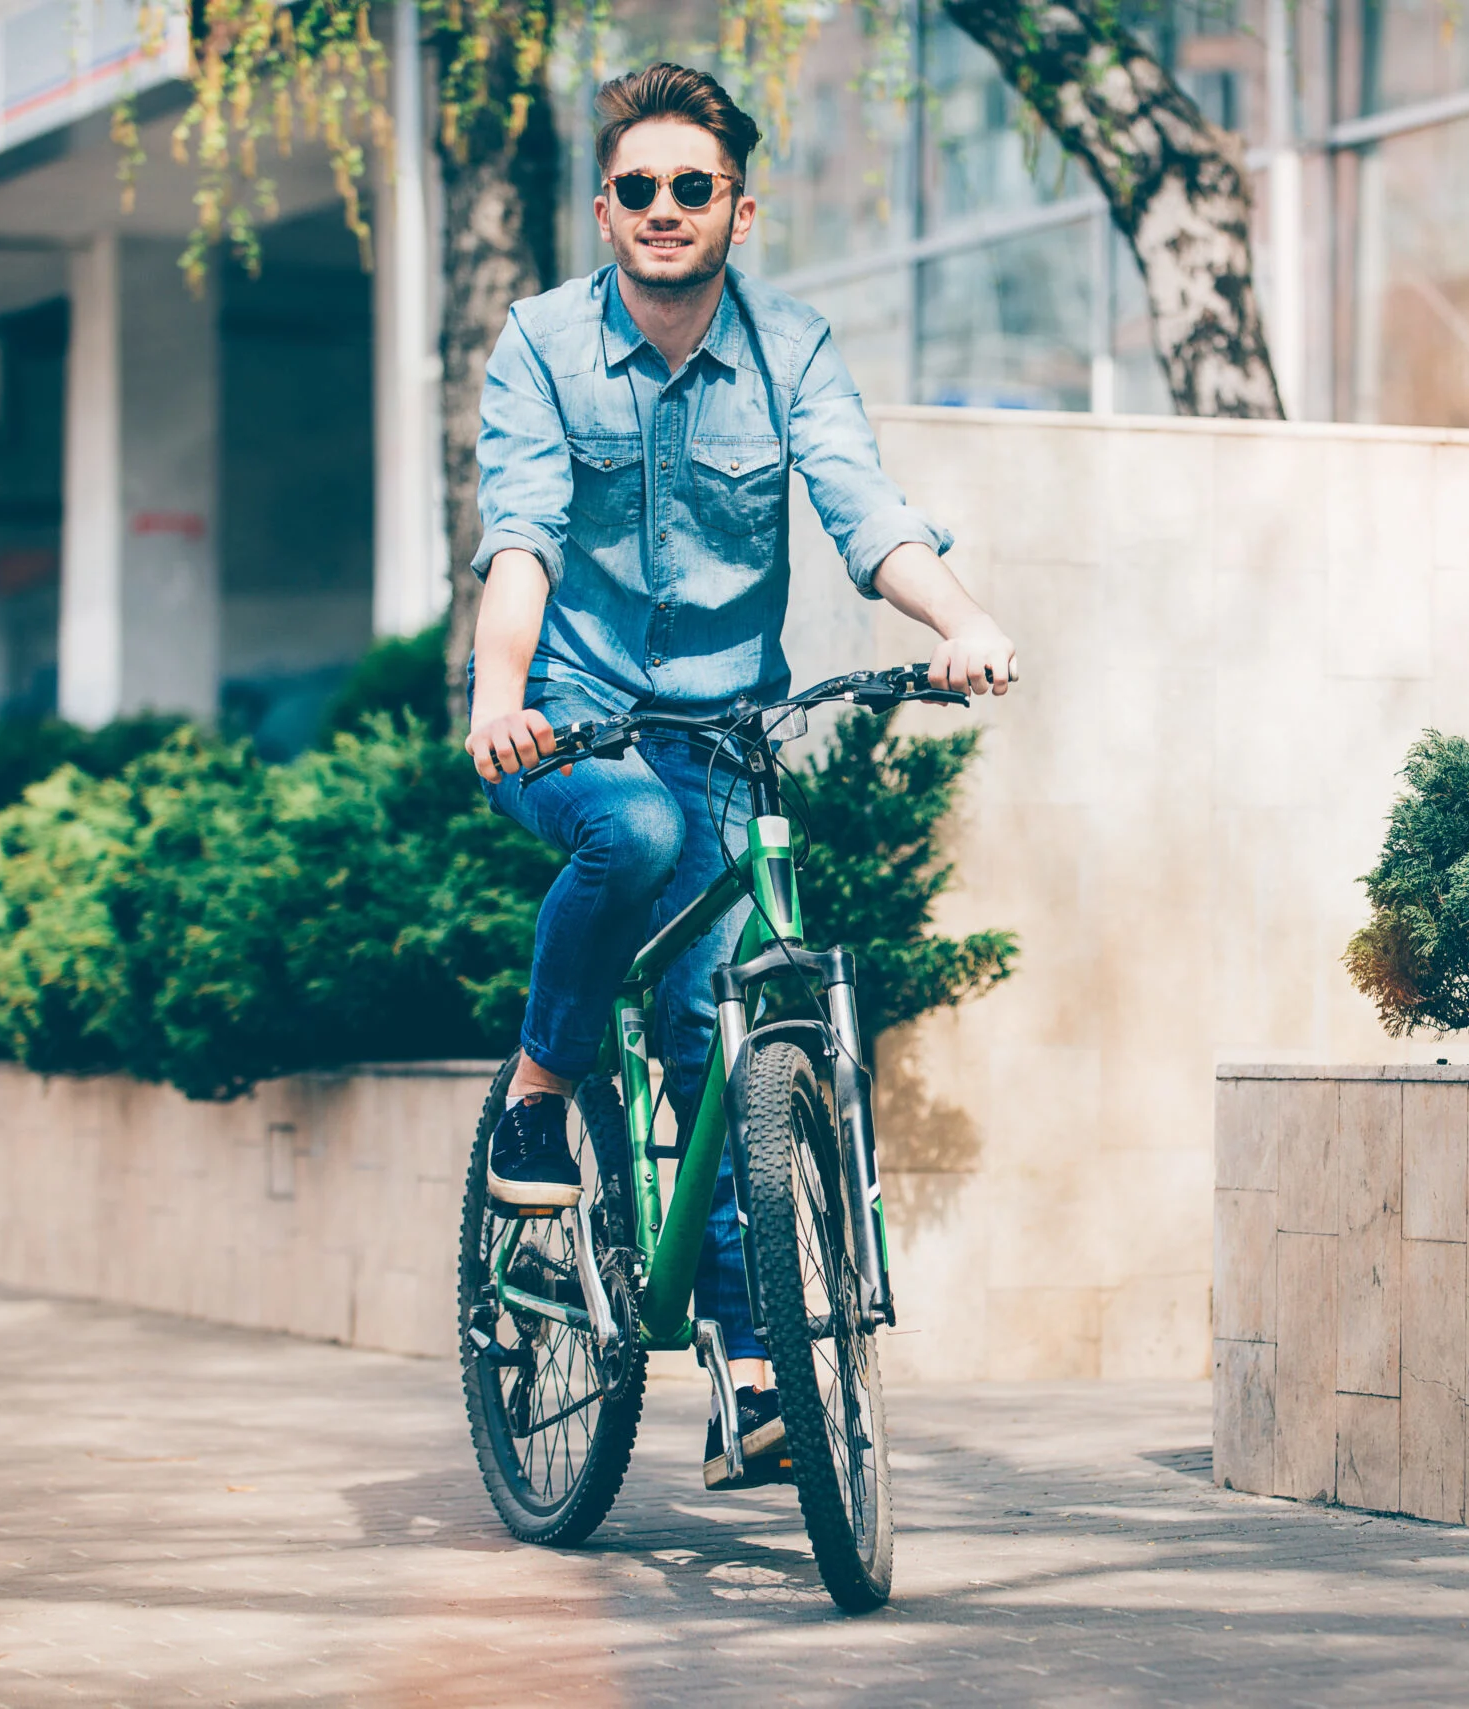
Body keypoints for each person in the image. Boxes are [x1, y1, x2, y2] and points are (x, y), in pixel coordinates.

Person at [463, 61, 1017, 1491]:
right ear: (604, 208)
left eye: (690, 189)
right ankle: (539, 1091)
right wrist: (498, 693)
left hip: (725, 734)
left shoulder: (795, 351)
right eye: (636, 189)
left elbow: (862, 508)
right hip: (572, 723)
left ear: (739, 209)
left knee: (726, 1034)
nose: (663, 209)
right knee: (629, 832)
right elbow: (520, 535)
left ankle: (759, 1377)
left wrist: (960, 626)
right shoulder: (539, 346)